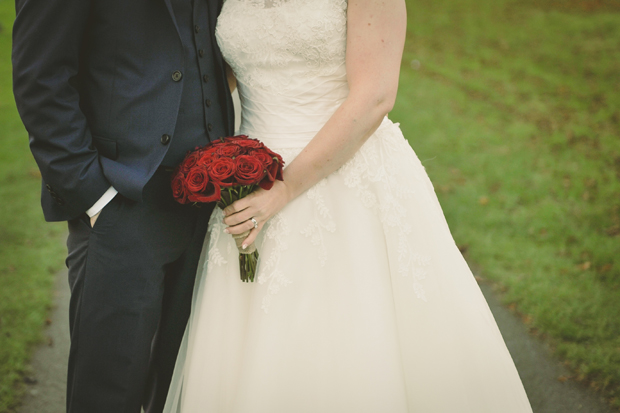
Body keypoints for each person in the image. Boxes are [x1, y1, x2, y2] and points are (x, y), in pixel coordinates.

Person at [163, 0, 534, 411]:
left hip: (342, 181)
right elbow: (218, 74)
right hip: (249, 183)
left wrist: (284, 189)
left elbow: (375, 95)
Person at [12, 0, 234, 411]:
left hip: (210, 210)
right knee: (108, 392)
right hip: (122, 203)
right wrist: (93, 196)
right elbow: (39, 77)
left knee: (185, 390)